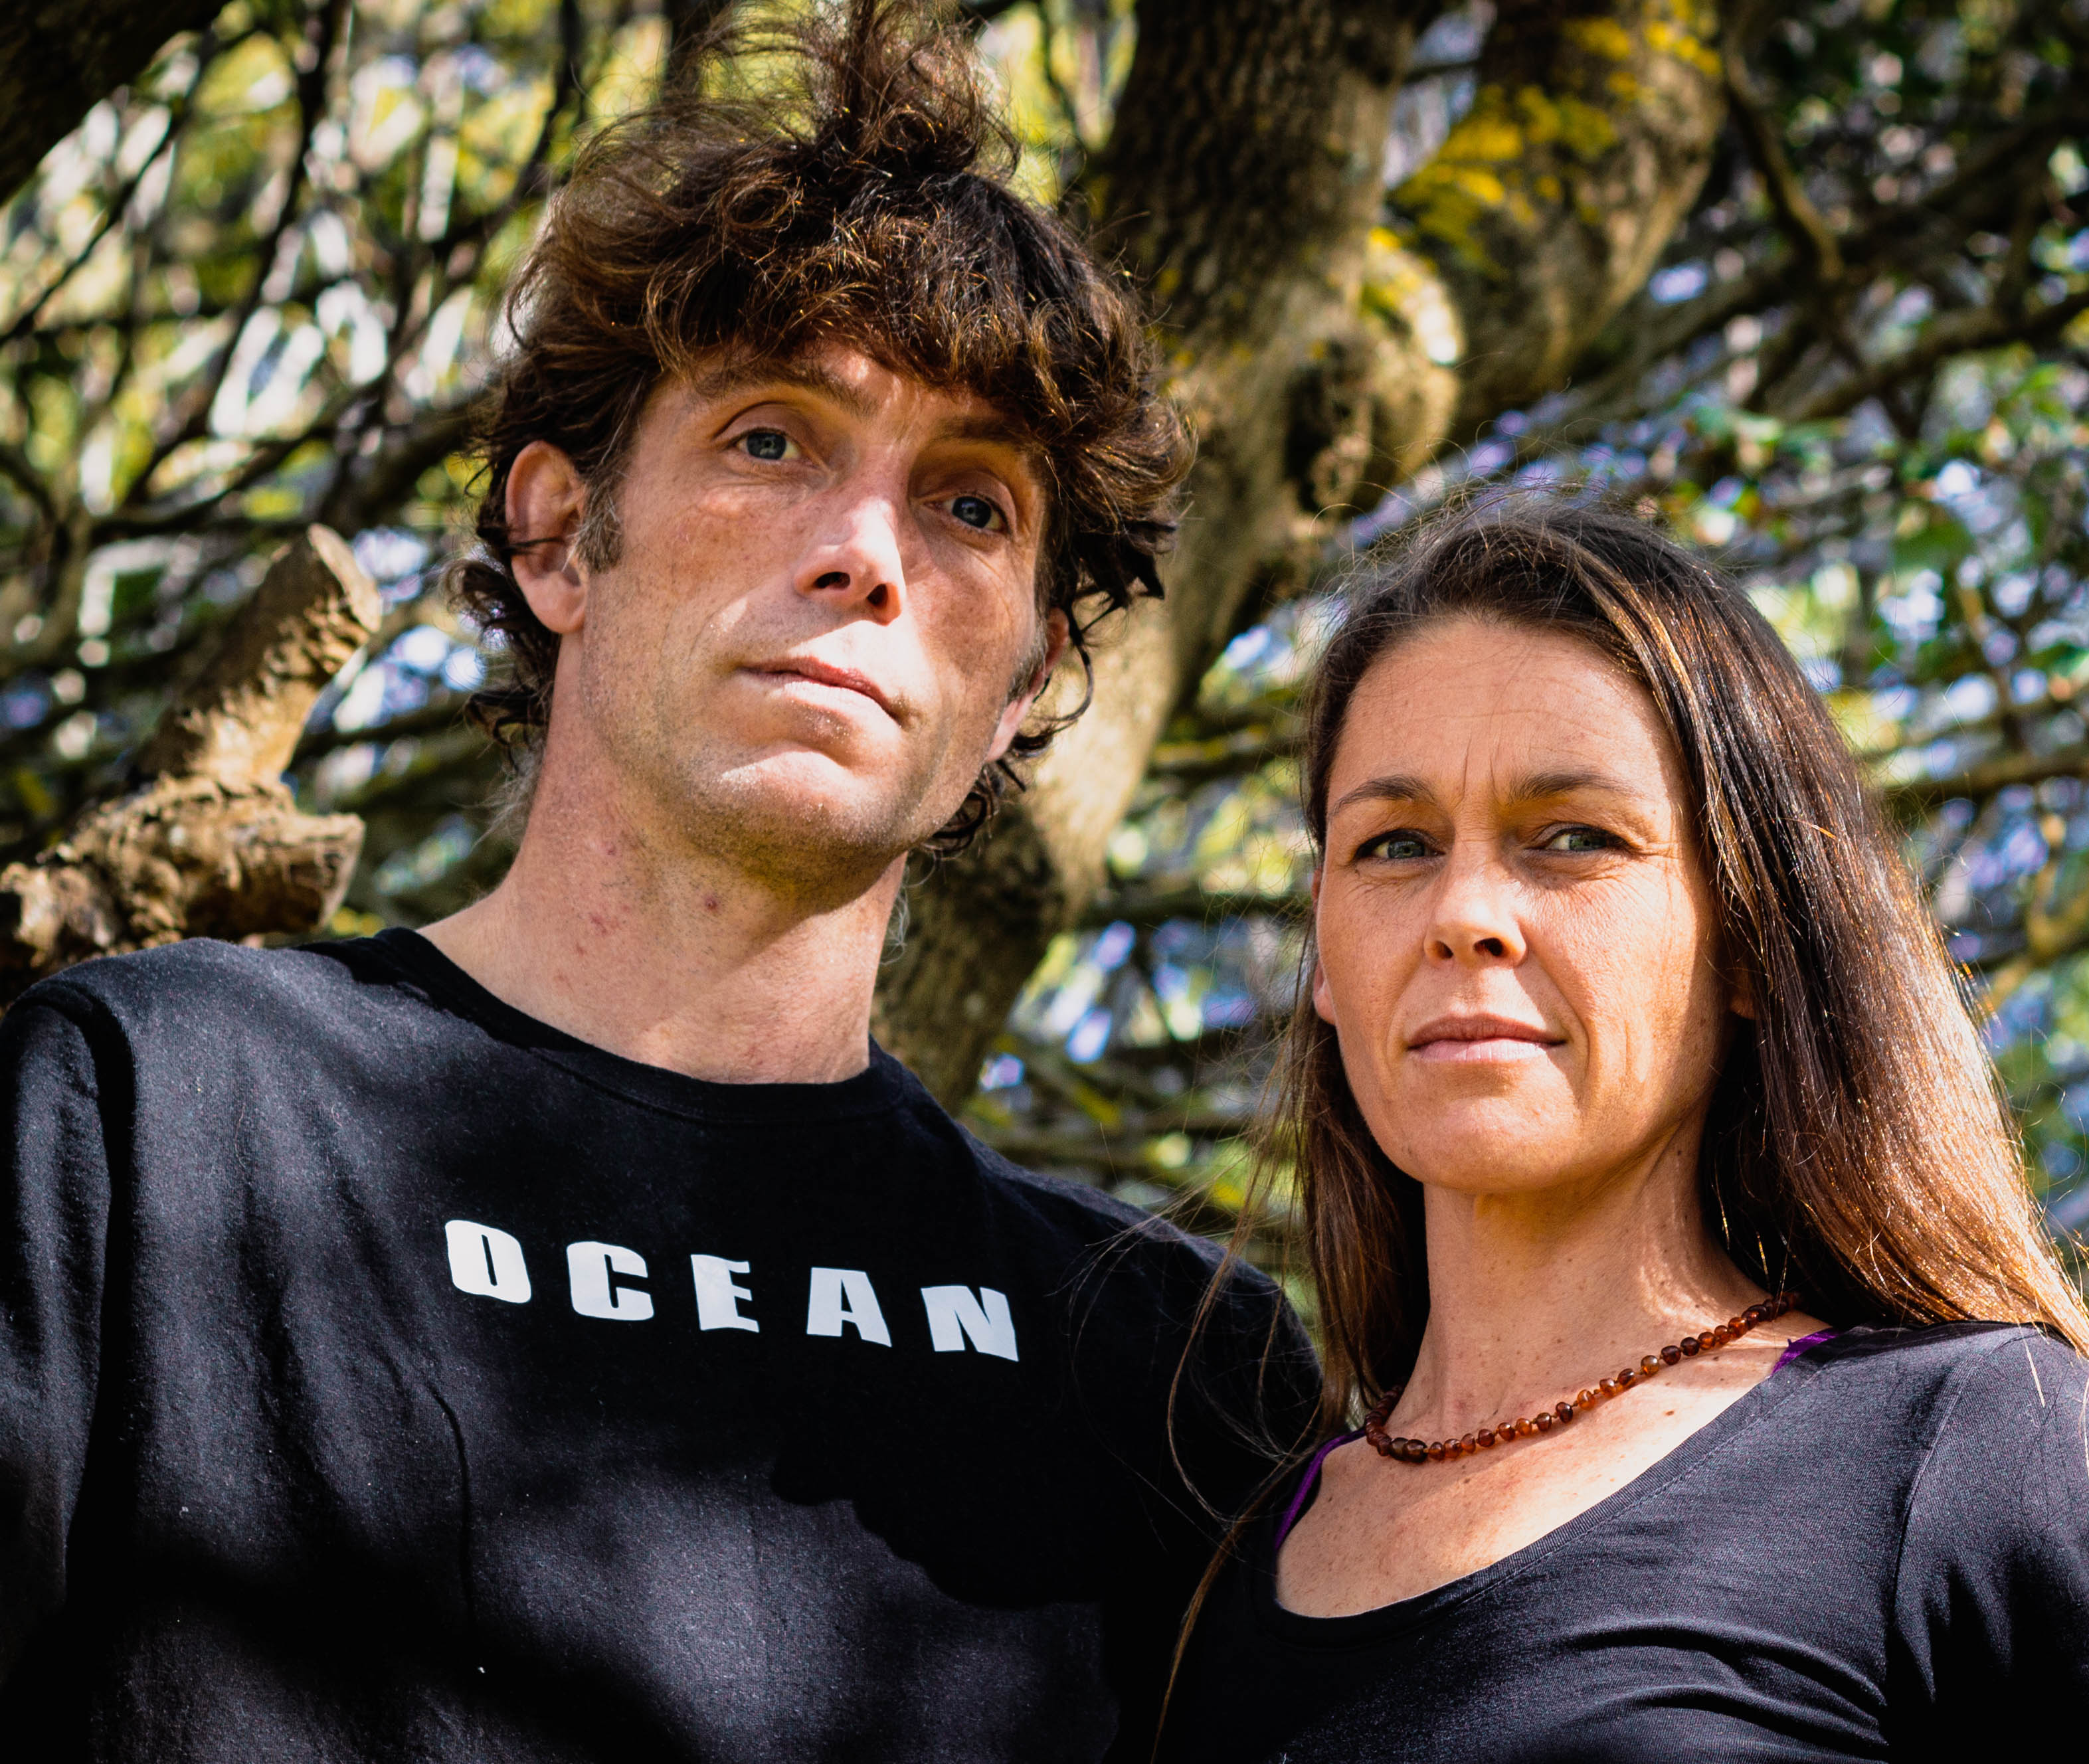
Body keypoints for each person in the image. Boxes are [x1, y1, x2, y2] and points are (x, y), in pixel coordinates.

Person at [0, 5, 1311, 1760]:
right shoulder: (149, 1109)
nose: (868, 555)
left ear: (1029, 682)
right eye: (774, 439)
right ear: (557, 536)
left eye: (972, 506)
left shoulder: (1166, 1367)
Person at [1156, 499, 2089, 1761]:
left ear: (1747, 935)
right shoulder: (1216, 1557)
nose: (1464, 914)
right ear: (1324, 952)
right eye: (1395, 845)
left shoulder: (1967, 1444)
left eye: (1574, 837)